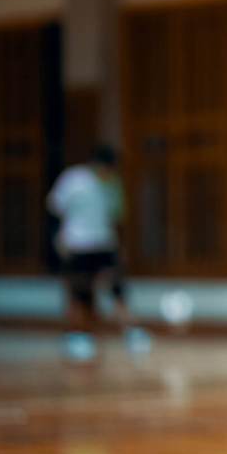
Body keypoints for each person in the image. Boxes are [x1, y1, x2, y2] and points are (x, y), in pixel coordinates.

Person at [48, 144, 151, 361]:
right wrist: (59, 239)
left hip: (104, 243)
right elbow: (56, 208)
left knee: (117, 289)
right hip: (77, 244)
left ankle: (132, 332)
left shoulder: (112, 184)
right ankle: (78, 336)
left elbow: (116, 216)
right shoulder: (73, 179)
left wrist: (120, 246)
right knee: (79, 292)